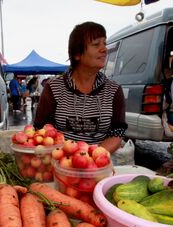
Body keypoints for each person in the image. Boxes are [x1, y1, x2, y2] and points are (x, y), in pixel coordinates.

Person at [34, 22, 127, 154]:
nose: (104, 49)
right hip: (60, 160)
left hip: (99, 164)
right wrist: (68, 158)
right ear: (77, 54)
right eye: (96, 44)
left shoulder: (114, 90)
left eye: (104, 44)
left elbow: (117, 132)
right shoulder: (53, 88)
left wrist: (92, 158)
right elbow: (41, 129)